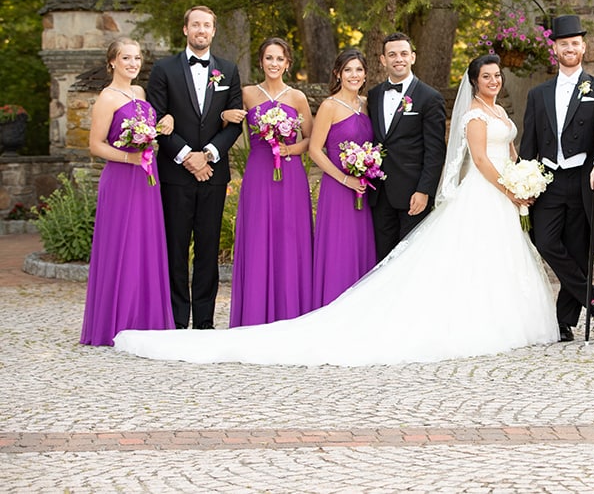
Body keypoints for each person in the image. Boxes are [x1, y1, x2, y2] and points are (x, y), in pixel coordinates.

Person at [113, 55, 559, 365]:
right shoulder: (318, 100)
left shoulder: (399, 102)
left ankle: (488, 317)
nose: (494, 81)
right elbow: (477, 161)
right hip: (426, 192)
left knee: (489, 260)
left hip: (441, 193)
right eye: (488, 76)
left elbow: (460, 150)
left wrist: (524, 178)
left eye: (498, 75)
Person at [520, 14, 594, 342]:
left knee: (577, 251)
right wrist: (524, 178)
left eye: (575, 43)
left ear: (583, 47)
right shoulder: (538, 94)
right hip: (548, 180)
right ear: (555, 49)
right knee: (545, 241)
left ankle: (563, 323)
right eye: (564, 44)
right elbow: (529, 141)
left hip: (582, 178)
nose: (570, 48)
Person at [146, 5, 243, 330]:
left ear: (213, 31)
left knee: (208, 248)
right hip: (176, 173)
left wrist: (210, 154)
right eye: (196, 25)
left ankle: (203, 322)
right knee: (175, 247)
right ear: (185, 29)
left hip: (213, 175)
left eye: (207, 26)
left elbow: (235, 122)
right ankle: (175, 319)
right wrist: (188, 155)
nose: (202, 30)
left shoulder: (228, 71)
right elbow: (156, 119)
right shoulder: (163, 69)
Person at [81, 38, 174, 346]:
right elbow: (95, 145)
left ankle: (145, 318)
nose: (133, 63)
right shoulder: (107, 98)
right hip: (121, 179)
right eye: (126, 58)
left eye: (137, 58)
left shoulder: (139, 92)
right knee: (121, 245)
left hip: (147, 179)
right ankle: (114, 322)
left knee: (144, 244)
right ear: (113, 62)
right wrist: (130, 157)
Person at [224, 38, 314, 327]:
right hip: (259, 172)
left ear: (288, 63)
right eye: (269, 58)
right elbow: (225, 124)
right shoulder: (247, 93)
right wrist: (225, 115)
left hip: (290, 174)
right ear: (261, 62)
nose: (274, 64)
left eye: (279, 59)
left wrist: (290, 149)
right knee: (258, 235)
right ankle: (254, 313)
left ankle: (291, 313)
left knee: (290, 237)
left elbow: (312, 140)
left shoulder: (297, 97)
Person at [365, 32, 447, 261]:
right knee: (382, 259)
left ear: (413, 57)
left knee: (410, 260)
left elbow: (435, 151)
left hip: (413, 194)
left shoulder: (430, 98)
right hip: (379, 193)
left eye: (403, 54)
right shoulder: (373, 95)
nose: (398, 59)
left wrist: (424, 191)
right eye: (392, 54)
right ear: (383, 60)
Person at [309, 49, 377, 307]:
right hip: (338, 188)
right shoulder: (329, 106)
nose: (354, 75)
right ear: (338, 73)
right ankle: (333, 306)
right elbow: (315, 150)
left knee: (360, 247)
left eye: (358, 69)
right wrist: (344, 179)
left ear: (365, 74)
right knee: (339, 249)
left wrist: (366, 170)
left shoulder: (367, 104)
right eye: (348, 69)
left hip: (363, 186)